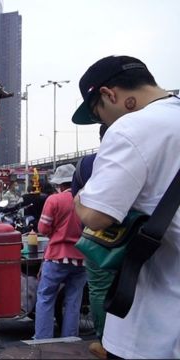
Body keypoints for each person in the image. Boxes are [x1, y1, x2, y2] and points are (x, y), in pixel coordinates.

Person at [72, 55, 180, 359]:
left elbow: (97, 216)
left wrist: (80, 201)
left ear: (110, 95)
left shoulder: (133, 127)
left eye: (99, 114)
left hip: (155, 326)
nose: (104, 123)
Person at [71, 124, 112, 358]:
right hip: (138, 235)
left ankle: (104, 341)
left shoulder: (86, 164)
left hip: (96, 239)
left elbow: (76, 203)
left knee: (98, 289)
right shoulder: (138, 156)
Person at [34, 164, 86, 340]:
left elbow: (42, 228)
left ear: (60, 184)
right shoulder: (87, 199)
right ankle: (70, 340)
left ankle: (43, 340)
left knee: (46, 297)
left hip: (57, 257)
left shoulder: (54, 200)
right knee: (73, 301)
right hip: (82, 258)